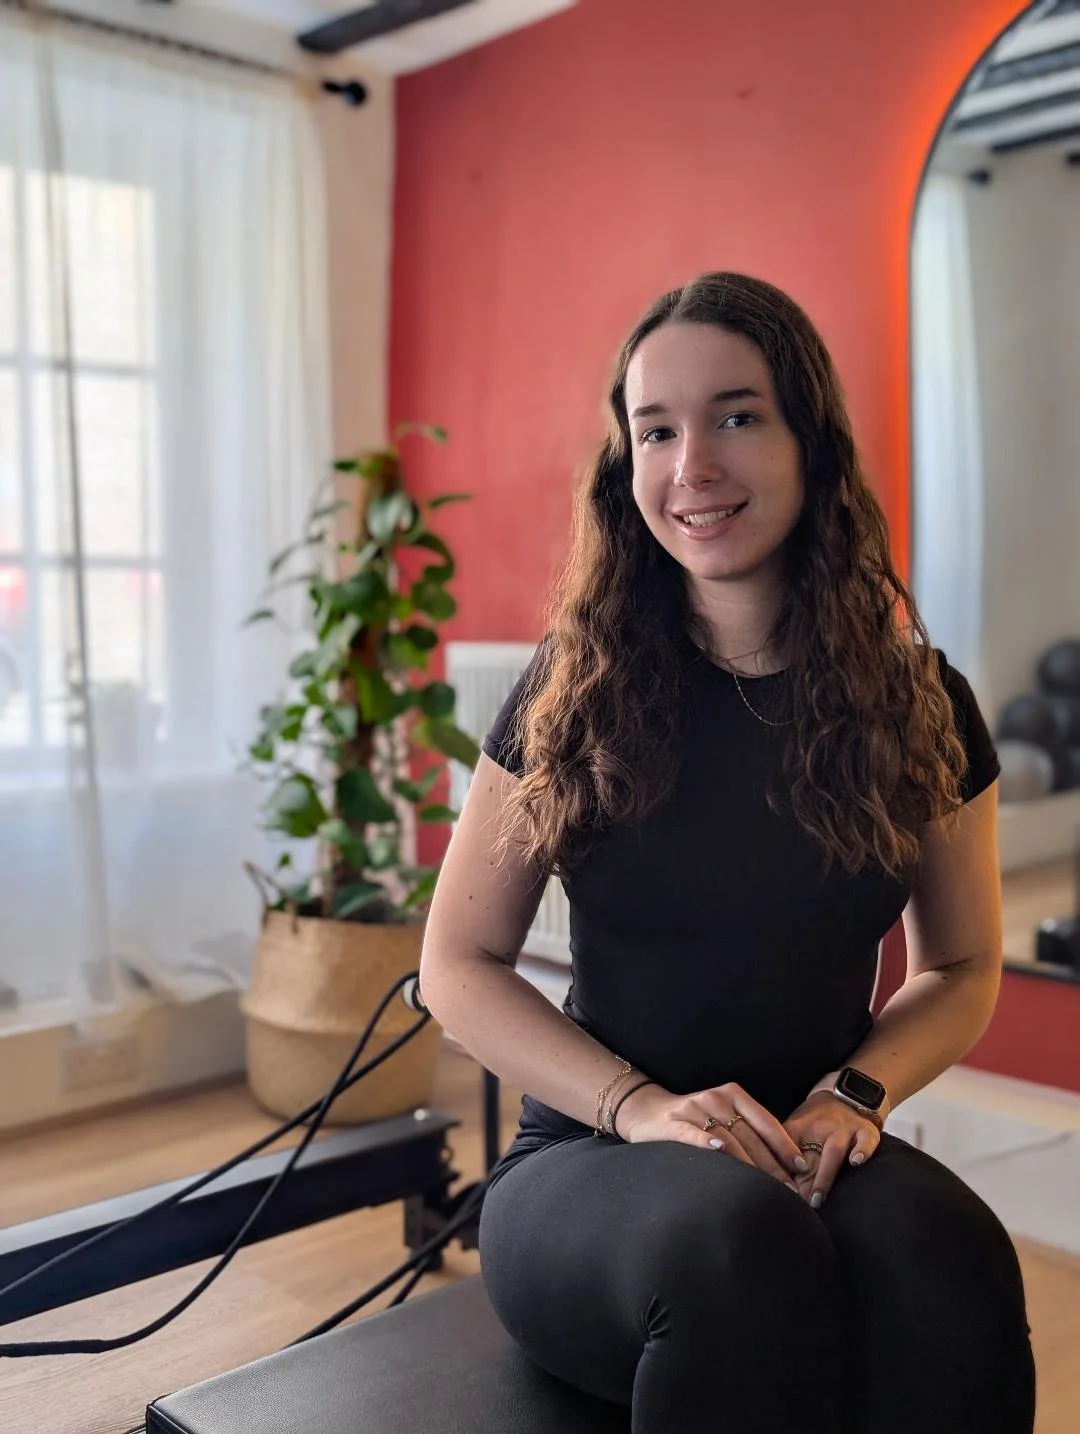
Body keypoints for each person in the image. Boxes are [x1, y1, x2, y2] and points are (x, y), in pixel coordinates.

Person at [418, 272, 1036, 1433]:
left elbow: (961, 967)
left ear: (811, 444)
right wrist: (641, 1107)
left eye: (738, 416)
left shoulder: (919, 702)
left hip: (811, 1144)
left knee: (958, 1264)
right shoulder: (573, 692)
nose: (691, 466)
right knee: (738, 1252)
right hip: (593, 1158)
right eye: (657, 429)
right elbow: (457, 963)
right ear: (628, 462)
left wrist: (856, 1093)